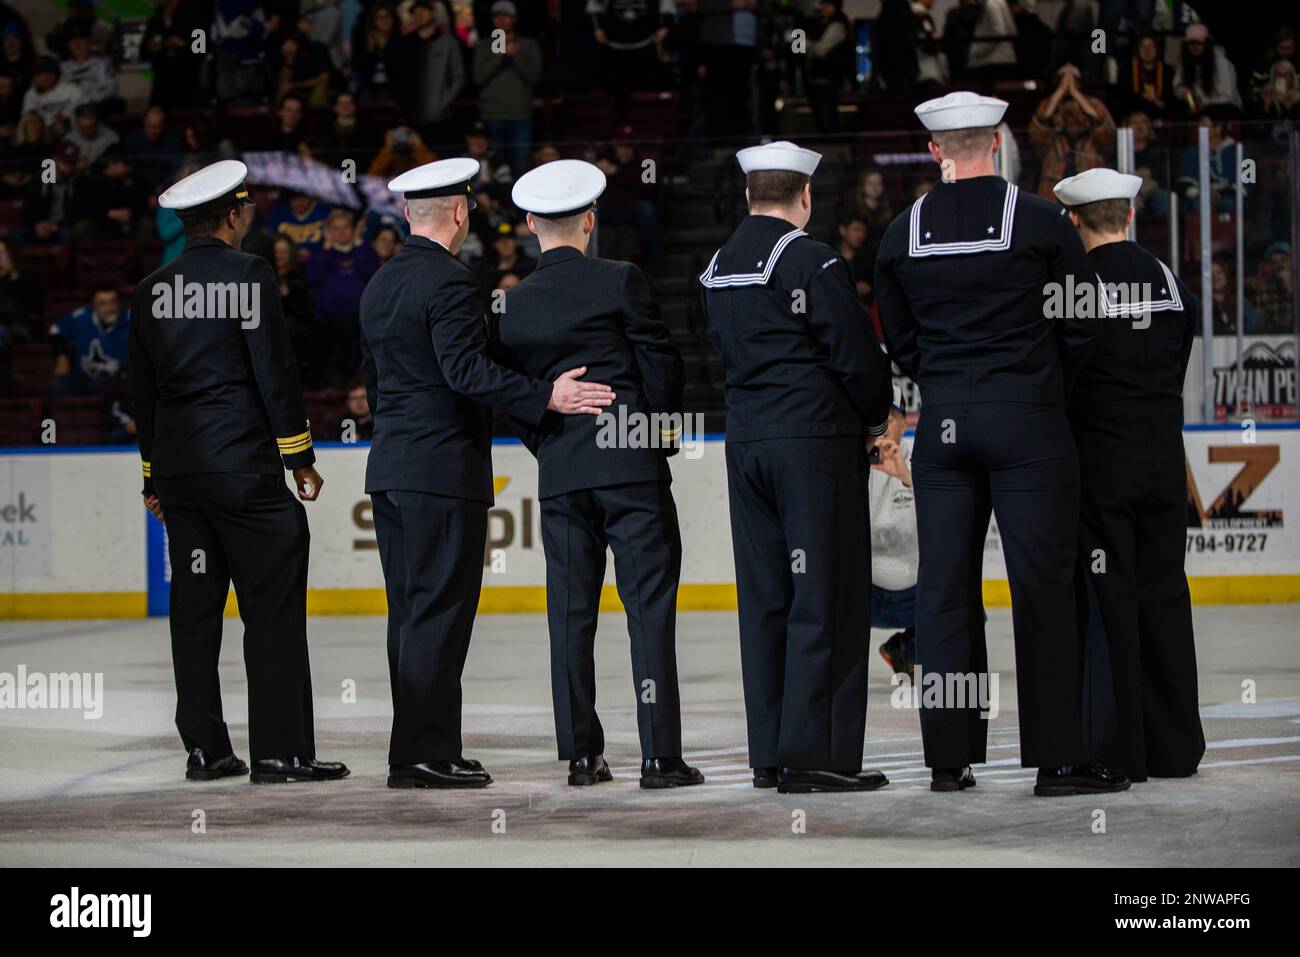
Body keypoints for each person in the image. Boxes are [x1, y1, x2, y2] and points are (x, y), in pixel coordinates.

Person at [874, 91, 1127, 796]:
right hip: (1029, 423)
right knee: (1043, 588)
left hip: (945, 426)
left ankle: (949, 759)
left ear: (934, 152)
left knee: (946, 594)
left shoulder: (901, 232)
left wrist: (949, 384)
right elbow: (1081, 324)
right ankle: (1057, 759)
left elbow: (901, 340)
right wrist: (1038, 385)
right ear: (998, 142)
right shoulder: (1045, 222)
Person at [359, 158, 616, 789]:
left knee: (412, 614)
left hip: (391, 467)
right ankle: (422, 754)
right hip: (440, 471)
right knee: (440, 614)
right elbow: (465, 373)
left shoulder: (380, 283)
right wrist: (545, 396)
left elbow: (375, 384)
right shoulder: (450, 282)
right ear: (457, 212)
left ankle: (425, 746)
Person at [129, 160, 349, 784]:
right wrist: (299, 456)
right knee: (272, 609)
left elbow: (141, 393)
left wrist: (152, 478)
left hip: (181, 475)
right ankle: (280, 753)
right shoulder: (249, 273)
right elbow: (274, 370)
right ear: (233, 215)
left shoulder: (152, 288)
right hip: (243, 473)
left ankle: (205, 749)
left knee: (194, 614)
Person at [698, 141, 894, 794]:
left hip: (746, 443)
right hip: (813, 446)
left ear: (750, 193)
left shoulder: (717, 266)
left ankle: (772, 751)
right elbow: (858, 360)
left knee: (766, 599)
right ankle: (819, 756)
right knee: (828, 597)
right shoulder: (813, 261)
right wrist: (874, 415)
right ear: (804, 196)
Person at [500, 158, 702, 789]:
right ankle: (659, 757)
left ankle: (582, 756)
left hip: (562, 473)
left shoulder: (512, 303)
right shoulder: (621, 279)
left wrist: (547, 441)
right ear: (591, 219)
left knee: (570, 615)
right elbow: (662, 365)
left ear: (530, 223)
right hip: (631, 470)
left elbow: (512, 391)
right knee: (648, 610)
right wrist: (656, 433)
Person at [1053, 167, 1205, 782]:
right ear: (1130, 216)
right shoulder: (1169, 281)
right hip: (1163, 462)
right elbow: (1179, 349)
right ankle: (1175, 747)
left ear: (1074, 221)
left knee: (1107, 597)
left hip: (1102, 466)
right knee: (1164, 595)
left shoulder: (1074, 287)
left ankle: (1120, 749)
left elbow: (1064, 372)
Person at [868, 392, 918, 681]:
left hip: (915, 590)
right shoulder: (851, 462)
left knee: (967, 608)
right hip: (867, 591)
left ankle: (904, 648)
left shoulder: (924, 457)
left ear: (903, 422)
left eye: (887, 420)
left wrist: (907, 478)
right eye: (875, 422)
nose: (882, 430)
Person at [472, 1, 540, 178]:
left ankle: (520, 207)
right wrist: (498, 57)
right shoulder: (485, 46)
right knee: (495, 171)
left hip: (520, 115)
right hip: (492, 114)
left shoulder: (528, 45)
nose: (501, 20)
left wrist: (517, 57)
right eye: (497, 16)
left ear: (514, 19)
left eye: (506, 15)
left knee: (521, 169)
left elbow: (535, 78)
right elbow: (478, 78)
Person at [49, 285, 129, 398]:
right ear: (94, 306)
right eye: (103, 303)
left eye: (113, 302)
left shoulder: (130, 319)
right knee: (57, 386)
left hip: (119, 380)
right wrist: (61, 355)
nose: (109, 308)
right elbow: (55, 330)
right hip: (84, 377)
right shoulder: (81, 317)